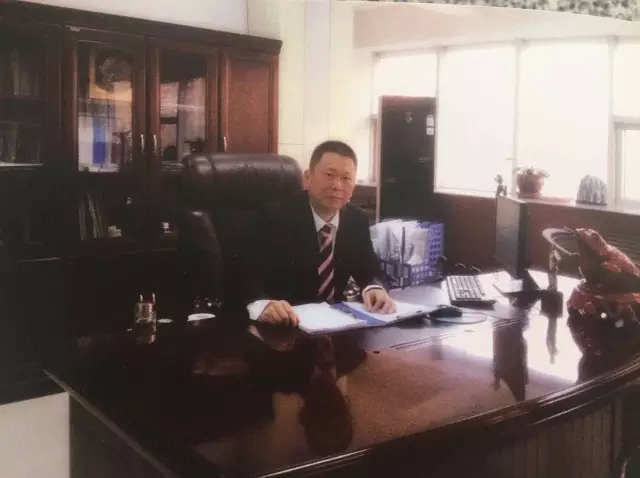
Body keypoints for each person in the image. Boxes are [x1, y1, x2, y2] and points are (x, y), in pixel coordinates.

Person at [246, 140, 395, 325]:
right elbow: (246, 276)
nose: (337, 185)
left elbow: (369, 268)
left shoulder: (356, 219)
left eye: (346, 178)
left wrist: (374, 288)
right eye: (329, 175)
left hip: (336, 325)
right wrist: (263, 305)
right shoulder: (274, 217)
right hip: (285, 325)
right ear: (308, 177)